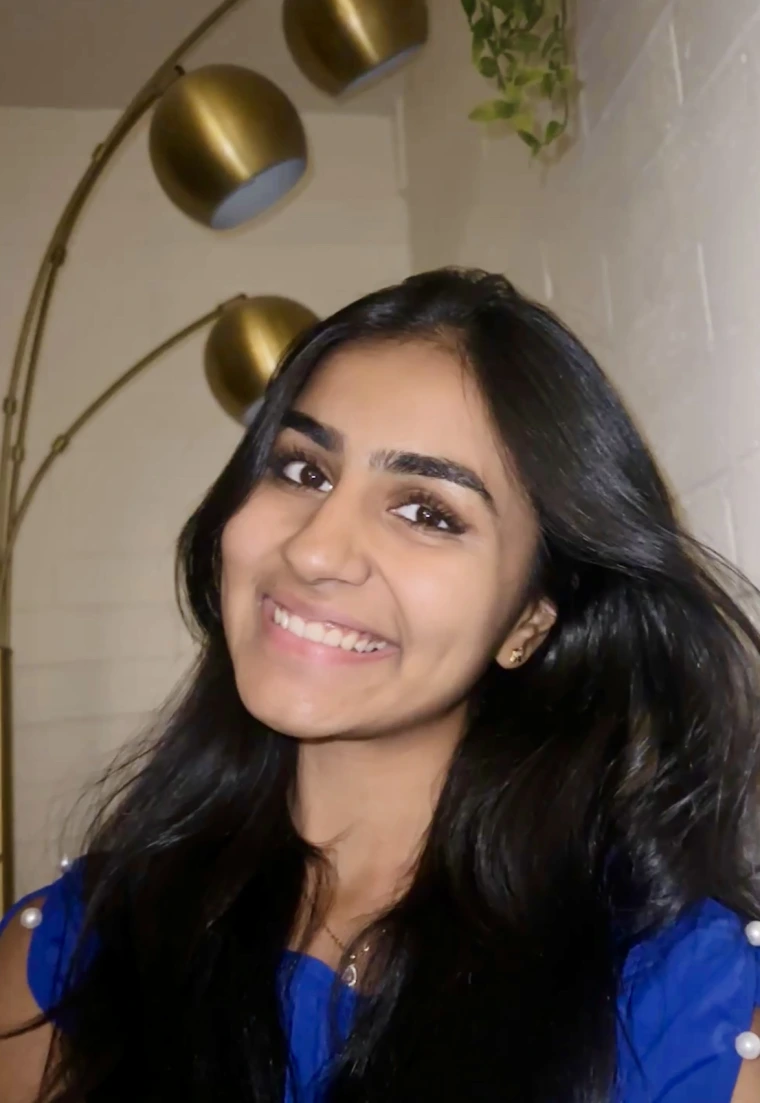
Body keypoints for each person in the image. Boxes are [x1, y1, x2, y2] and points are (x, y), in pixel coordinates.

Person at [1, 267, 759, 1103]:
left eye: (428, 511)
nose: (316, 550)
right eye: (302, 470)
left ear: (530, 622)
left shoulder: (680, 1003)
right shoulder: (75, 948)